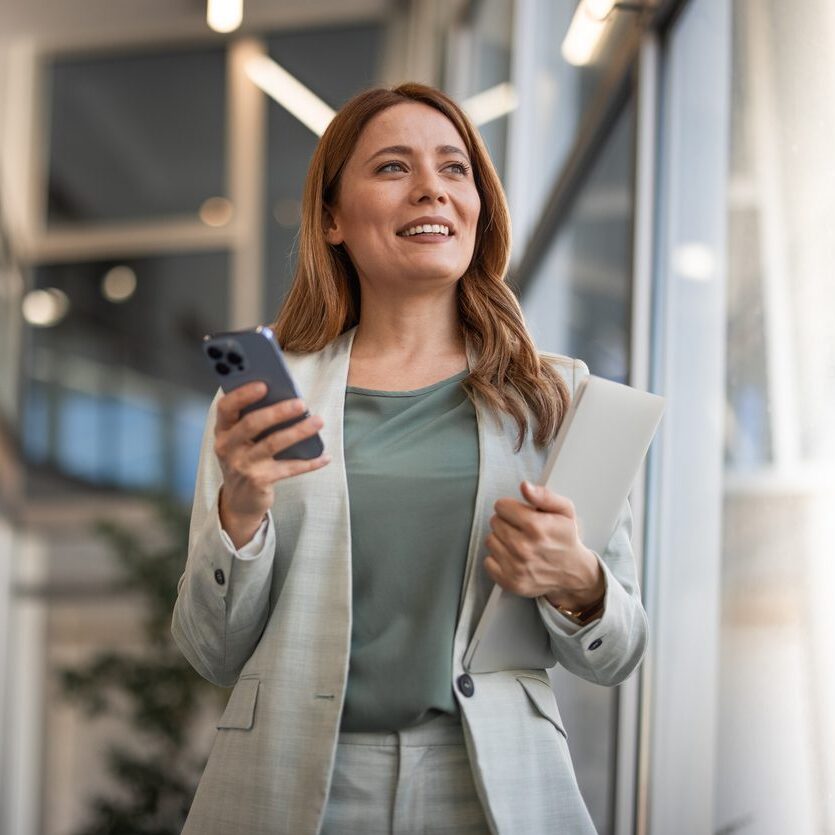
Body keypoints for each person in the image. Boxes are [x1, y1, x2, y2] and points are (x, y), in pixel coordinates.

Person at [172, 82, 648, 835]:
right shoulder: (268, 399)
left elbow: (617, 652)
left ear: (478, 205)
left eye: (453, 168)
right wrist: (239, 511)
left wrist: (579, 582)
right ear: (331, 218)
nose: (431, 187)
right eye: (392, 167)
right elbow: (209, 649)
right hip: (294, 784)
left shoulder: (557, 398)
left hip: (493, 780)